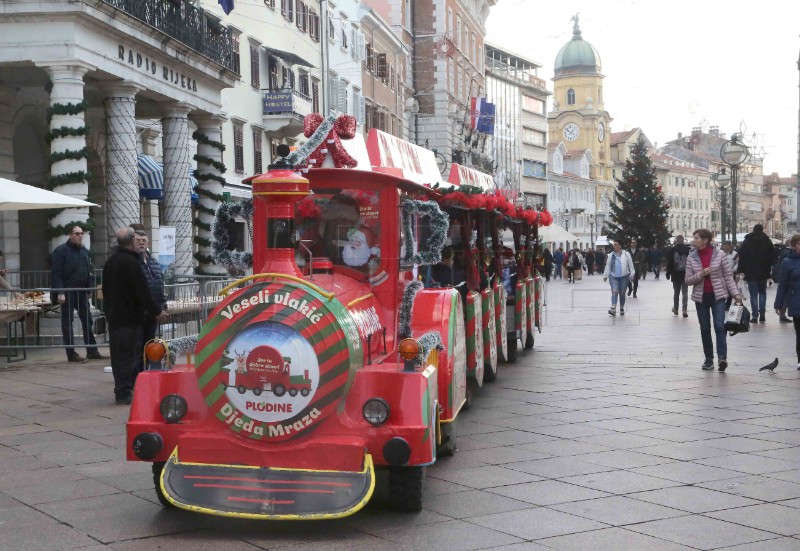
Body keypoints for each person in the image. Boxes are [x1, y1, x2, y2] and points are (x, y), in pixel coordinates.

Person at [103, 228, 167, 405]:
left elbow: (105, 290)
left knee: (118, 356)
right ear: (131, 242)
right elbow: (142, 291)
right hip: (130, 317)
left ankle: (121, 389)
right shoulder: (132, 263)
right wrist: (156, 311)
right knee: (131, 356)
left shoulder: (111, 262)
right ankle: (126, 390)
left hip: (115, 317)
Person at [685, 229, 742, 371]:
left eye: (696, 238)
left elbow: (728, 276)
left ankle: (722, 357)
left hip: (718, 296)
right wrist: (700, 274)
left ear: (705, 240)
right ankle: (709, 359)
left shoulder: (719, 254)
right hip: (701, 297)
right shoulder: (691, 257)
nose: (694, 240)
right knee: (705, 328)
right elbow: (688, 280)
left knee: (719, 326)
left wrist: (736, 294)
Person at [51, 224, 105, 363]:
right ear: (70, 235)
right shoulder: (61, 251)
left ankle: (92, 351)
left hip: (81, 292)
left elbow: (87, 271)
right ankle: (71, 353)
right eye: (77, 233)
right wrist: (60, 292)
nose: (80, 236)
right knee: (67, 322)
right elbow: (56, 274)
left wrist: (88, 289)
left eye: (81, 233)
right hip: (68, 291)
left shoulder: (84, 251)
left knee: (87, 319)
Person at [133, 230, 168, 374]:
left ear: (148, 243)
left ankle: (147, 373)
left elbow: (159, 283)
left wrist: (163, 305)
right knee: (137, 346)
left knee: (149, 344)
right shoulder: (133, 262)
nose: (141, 242)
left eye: (143, 240)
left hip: (154, 311)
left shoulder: (153, 262)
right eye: (138, 240)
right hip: (139, 312)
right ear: (132, 242)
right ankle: (137, 375)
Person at [737, 224, 776, 323]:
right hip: (764, 271)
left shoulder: (747, 241)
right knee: (762, 293)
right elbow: (773, 256)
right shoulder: (767, 241)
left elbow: (741, 255)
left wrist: (741, 270)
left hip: (750, 272)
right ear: (762, 229)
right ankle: (762, 314)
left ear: (753, 229)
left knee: (753, 294)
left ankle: (754, 316)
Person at [774, 234, 800, 368]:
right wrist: (779, 303)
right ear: (794, 246)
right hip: (797, 300)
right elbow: (782, 283)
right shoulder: (788, 262)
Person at [603, 238, 635, 316]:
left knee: (622, 293)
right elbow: (608, 266)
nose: (614, 246)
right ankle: (613, 308)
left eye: (616, 244)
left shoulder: (626, 254)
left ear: (620, 246)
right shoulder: (610, 255)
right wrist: (605, 275)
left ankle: (621, 307)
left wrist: (632, 274)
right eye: (613, 244)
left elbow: (631, 265)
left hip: (624, 277)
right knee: (614, 291)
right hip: (613, 277)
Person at [666, 235, 691, 317]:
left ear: (676, 240)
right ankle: (684, 310)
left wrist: (668, 273)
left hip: (675, 274)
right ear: (683, 240)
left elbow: (669, 262)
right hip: (685, 273)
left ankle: (676, 308)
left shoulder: (672, 250)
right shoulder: (688, 250)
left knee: (676, 292)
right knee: (685, 292)